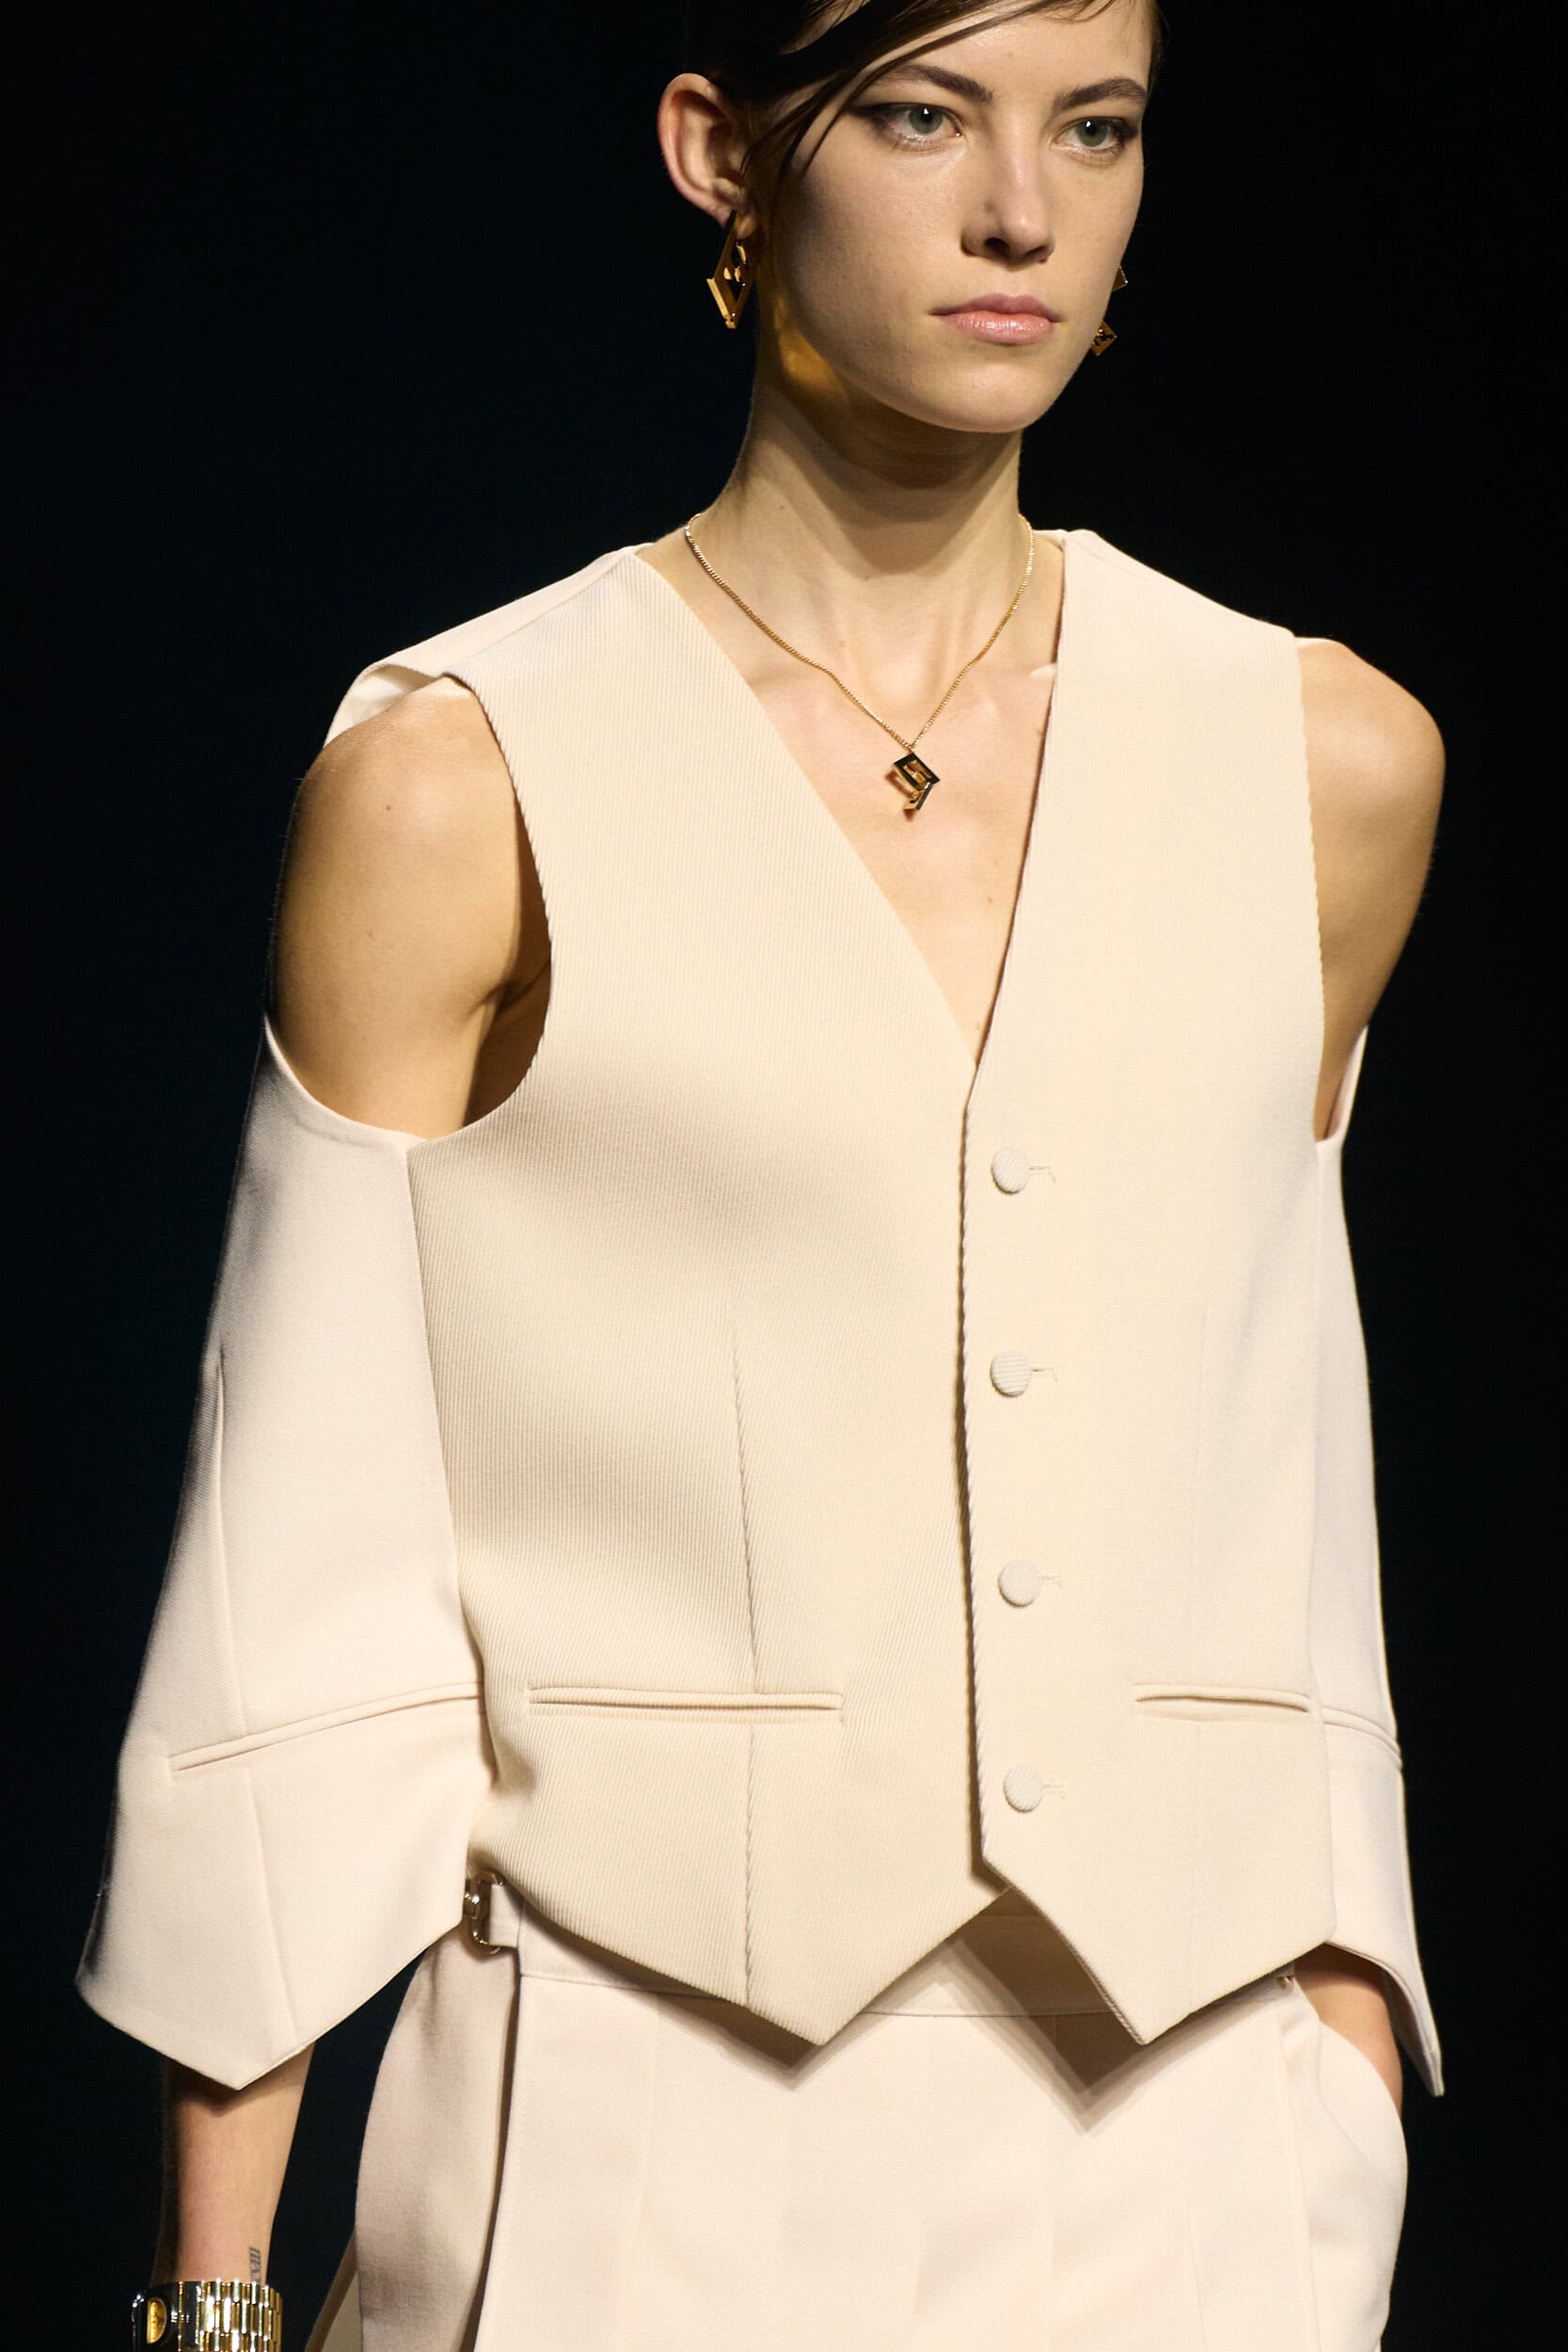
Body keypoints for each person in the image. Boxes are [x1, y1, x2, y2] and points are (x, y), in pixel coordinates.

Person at [79, 2, 1446, 2346]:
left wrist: (1343, 2042)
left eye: (1095, 126)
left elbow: (1276, 1449)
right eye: (923, 113)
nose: (1019, 212)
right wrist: (210, 2290)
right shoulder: (465, 779)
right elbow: (301, 1564)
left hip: (1195, 2130)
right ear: (723, 152)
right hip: (636, 2121)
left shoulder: (1317, 761)